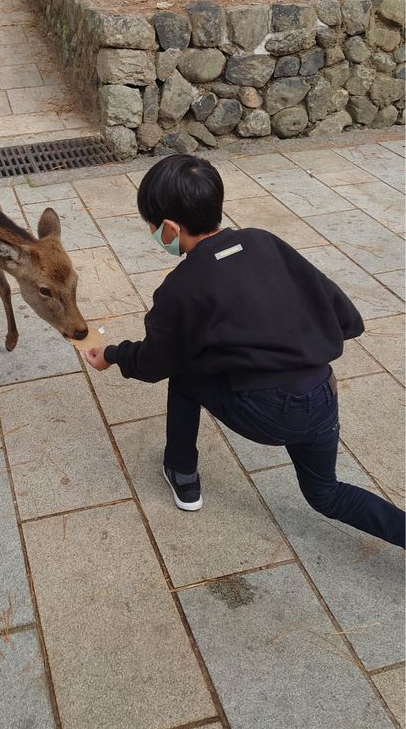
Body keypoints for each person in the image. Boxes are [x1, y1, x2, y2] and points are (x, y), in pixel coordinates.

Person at [85, 155, 405, 549]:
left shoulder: (181, 287)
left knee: (184, 374)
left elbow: (155, 362)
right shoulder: (262, 241)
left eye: (151, 227)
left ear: (169, 228)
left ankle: (182, 474)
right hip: (323, 395)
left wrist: (113, 355)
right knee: (327, 494)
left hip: (270, 412)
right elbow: (339, 308)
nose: (153, 233)